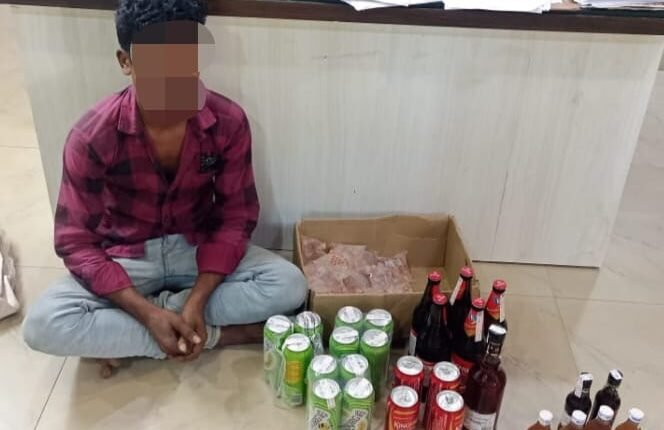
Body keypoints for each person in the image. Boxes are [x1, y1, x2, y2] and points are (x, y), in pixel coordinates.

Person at [22, 0, 308, 377]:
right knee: (43, 324)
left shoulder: (228, 121)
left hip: (196, 250)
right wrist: (146, 312)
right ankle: (214, 335)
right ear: (126, 61)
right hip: (127, 257)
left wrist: (197, 299)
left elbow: (236, 218)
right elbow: (75, 242)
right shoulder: (91, 135)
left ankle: (137, 333)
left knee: (289, 286)